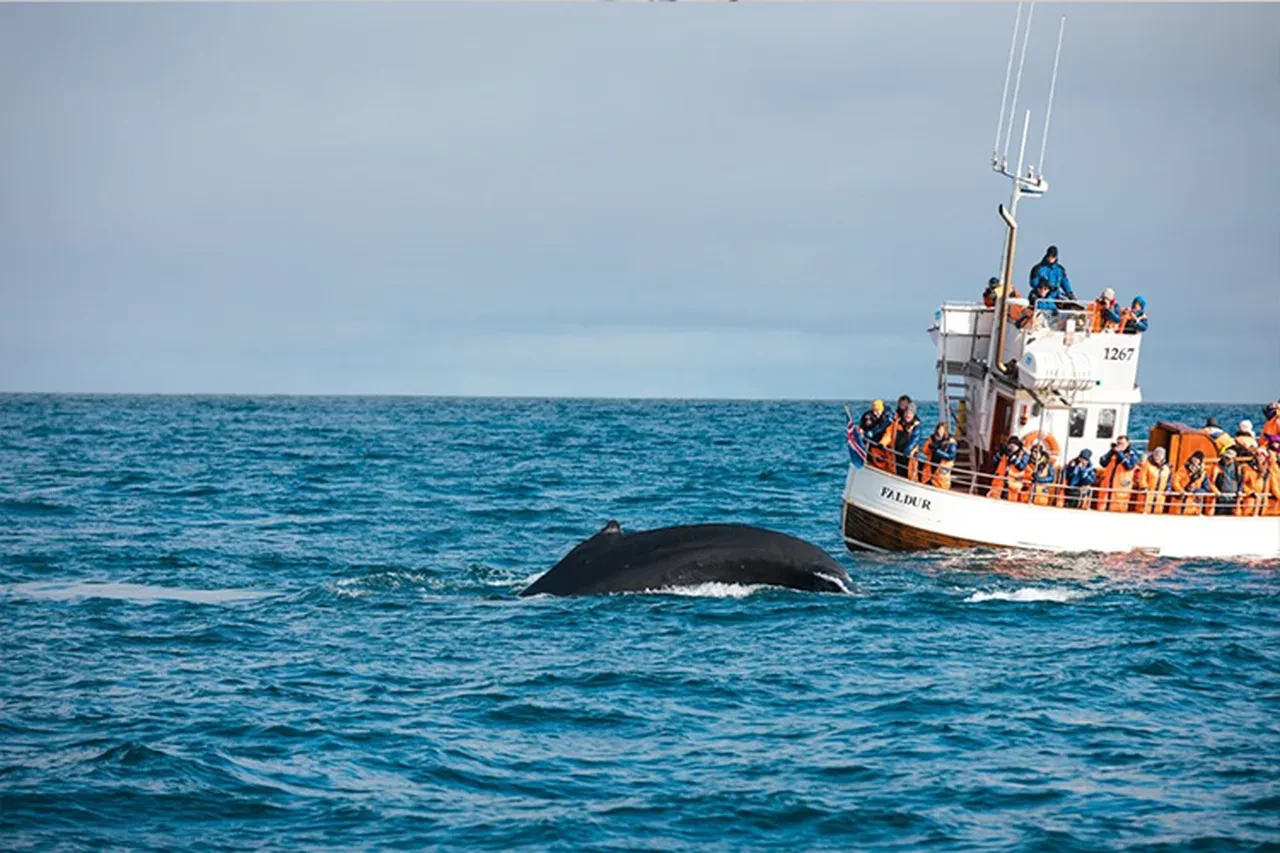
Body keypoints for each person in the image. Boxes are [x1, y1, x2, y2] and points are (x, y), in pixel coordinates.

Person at [1095, 435, 1139, 512]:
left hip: (1121, 487)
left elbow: (1129, 466)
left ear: (1128, 443)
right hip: (1108, 487)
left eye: (1123, 443)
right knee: (1102, 508)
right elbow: (1103, 462)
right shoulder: (1113, 452)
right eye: (1118, 443)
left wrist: (1119, 453)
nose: (1120, 445)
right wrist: (1111, 451)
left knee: (1118, 509)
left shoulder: (1132, 454)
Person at [883, 399, 923, 480]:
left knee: (909, 472)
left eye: (910, 413)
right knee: (895, 469)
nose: (908, 415)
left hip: (908, 456)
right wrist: (882, 443)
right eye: (907, 413)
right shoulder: (897, 423)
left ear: (913, 415)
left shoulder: (916, 426)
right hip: (896, 453)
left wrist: (908, 449)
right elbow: (888, 434)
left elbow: (915, 439)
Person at [1239, 445, 1279, 516]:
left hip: (1263, 504)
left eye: (1262, 455)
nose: (1260, 457)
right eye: (1258, 455)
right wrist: (1251, 493)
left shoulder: (1269, 472)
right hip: (1250, 502)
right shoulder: (1248, 469)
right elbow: (1242, 485)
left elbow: (1274, 488)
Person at [987, 436, 1030, 502]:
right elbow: (993, 463)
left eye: (1014, 446)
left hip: (1013, 486)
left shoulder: (1024, 455)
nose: (1012, 447)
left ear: (1018, 446)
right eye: (1010, 445)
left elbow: (1021, 467)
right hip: (999, 484)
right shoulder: (1004, 453)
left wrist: (1012, 457)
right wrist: (1000, 453)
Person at [917, 423, 958, 490]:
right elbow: (925, 451)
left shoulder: (951, 442)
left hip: (942, 468)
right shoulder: (932, 438)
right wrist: (929, 447)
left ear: (946, 431)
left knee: (941, 485)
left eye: (942, 430)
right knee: (926, 481)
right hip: (931, 466)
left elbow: (951, 456)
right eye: (939, 430)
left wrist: (937, 451)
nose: (940, 432)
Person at [1169, 451, 1212, 515]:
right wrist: (1181, 490)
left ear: (1200, 461)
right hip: (1179, 500)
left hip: (1193, 504)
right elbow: (1175, 481)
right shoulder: (1183, 469)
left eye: (1197, 459)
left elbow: (1206, 489)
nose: (1195, 460)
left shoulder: (1203, 474)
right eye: (1194, 458)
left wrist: (1195, 491)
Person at [1135, 446, 1172, 514]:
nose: (1158, 457)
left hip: (1159, 497)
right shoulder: (1147, 465)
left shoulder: (1167, 468)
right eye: (1157, 455)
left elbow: (1169, 481)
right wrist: (1144, 487)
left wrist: (1168, 489)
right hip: (1147, 495)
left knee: (1157, 515)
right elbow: (1142, 477)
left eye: (1160, 455)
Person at [861, 400, 893, 471]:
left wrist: (873, 432)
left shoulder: (888, 417)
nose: (876, 413)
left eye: (878, 411)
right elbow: (863, 427)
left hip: (882, 442)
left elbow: (886, 427)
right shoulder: (868, 416)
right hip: (871, 442)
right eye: (874, 411)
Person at [1213, 447, 1243, 516]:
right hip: (1222, 496)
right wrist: (1216, 491)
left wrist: (1239, 490)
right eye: (1226, 457)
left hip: (1234, 497)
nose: (1227, 460)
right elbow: (1212, 482)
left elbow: (1240, 481)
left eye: (1229, 458)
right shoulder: (1218, 466)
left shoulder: (1237, 467)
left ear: (1233, 459)